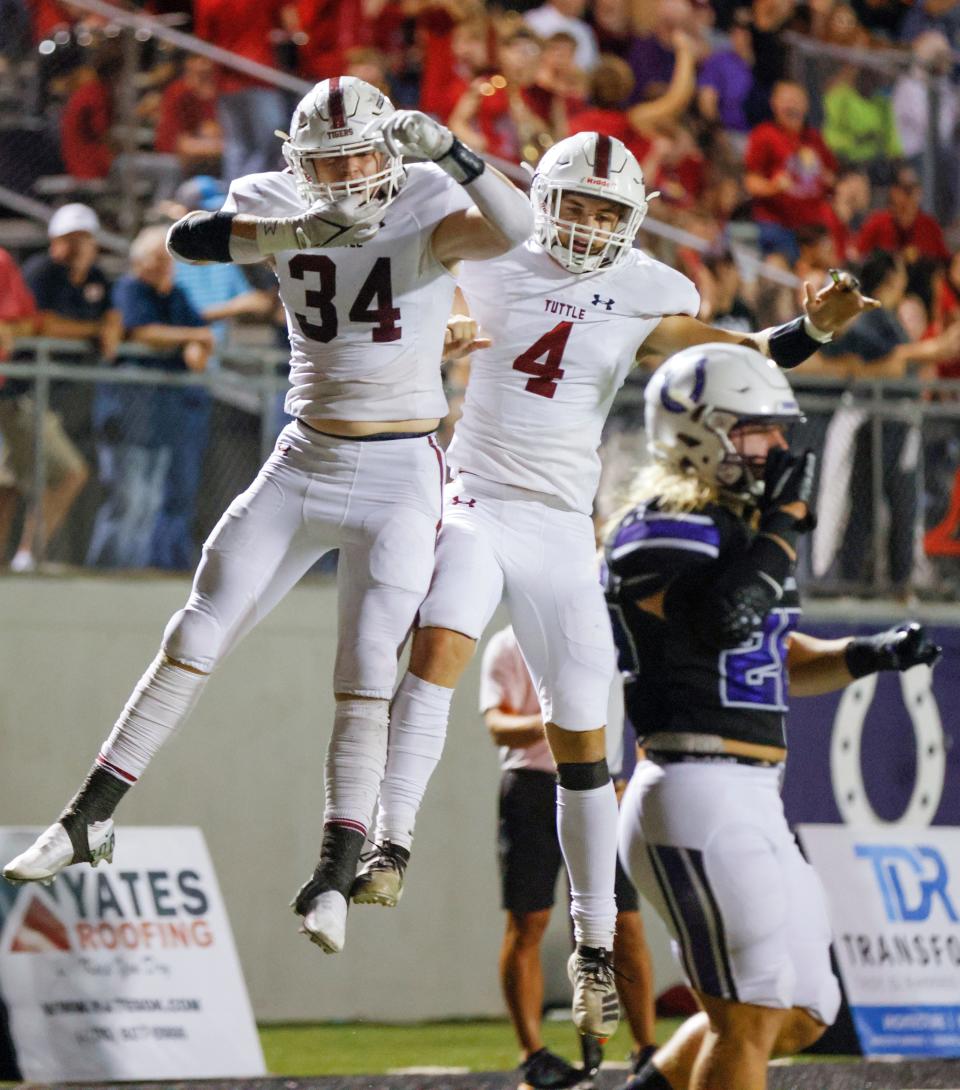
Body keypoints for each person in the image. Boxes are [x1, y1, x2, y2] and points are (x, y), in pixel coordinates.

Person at [348, 131, 875, 1039]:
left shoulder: (647, 288)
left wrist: (817, 328)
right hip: (474, 495)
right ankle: (386, 835)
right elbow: (388, 297)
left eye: (605, 211)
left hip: (560, 522)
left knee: (585, 734)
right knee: (437, 646)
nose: (589, 224)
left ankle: (593, 945)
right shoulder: (493, 248)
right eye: (577, 205)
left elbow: (736, 354)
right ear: (542, 199)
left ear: (631, 219)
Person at [3, 78, 534, 961]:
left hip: (401, 467)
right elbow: (183, 239)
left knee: (366, 668)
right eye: (324, 164)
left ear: (391, 152)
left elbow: (514, 229)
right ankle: (87, 818)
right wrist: (292, 232)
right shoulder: (282, 201)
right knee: (193, 632)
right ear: (299, 163)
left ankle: (333, 872)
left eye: (359, 156)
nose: (345, 175)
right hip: (303, 455)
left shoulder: (427, 195)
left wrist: (450, 151)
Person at [605, 343, 941, 1090]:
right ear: (702, 430)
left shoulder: (736, 533)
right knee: (749, 1012)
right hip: (693, 784)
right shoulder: (661, 524)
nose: (780, 448)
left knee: (803, 1008)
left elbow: (770, 649)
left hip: (750, 791)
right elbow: (728, 617)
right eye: (759, 429)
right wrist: (785, 522)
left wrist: (870, 653)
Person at [481, 624, 656, 1090]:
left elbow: (636, 710)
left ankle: (646, 1051)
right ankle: (533, 1054)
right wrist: (563, 721)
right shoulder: (509, 642)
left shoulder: (610, 633)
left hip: (605, 786)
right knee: (528, 921)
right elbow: (498, 726)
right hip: (534, 788)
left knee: (626, 923)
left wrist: (632, 774)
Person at [85, 225, 214, 570]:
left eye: (167, 258)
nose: (163, 265)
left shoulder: (176, 295)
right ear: (139, 261)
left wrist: (193, 341)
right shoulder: (130, 288)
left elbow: (199, 344)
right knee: (128, 499)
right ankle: (104, 573)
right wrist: (192, 336)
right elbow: (143, 332)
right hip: (127, 411)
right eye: (156, 258)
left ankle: (129, 574)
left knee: (151, 500)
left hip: (162, 417)